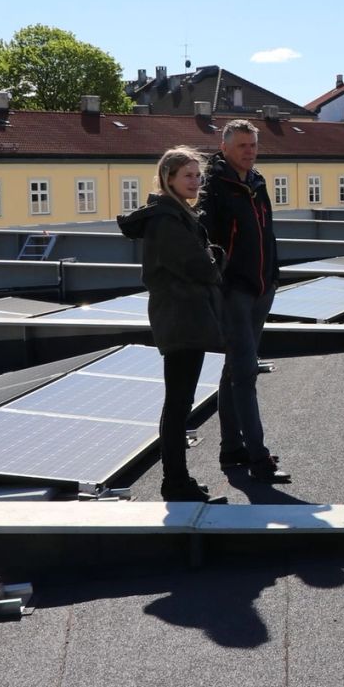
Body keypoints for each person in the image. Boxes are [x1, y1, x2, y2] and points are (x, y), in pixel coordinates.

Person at [116, 146, 227, 503]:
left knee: (181, 401)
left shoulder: (176, 215)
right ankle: (174, 482)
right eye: (188, 176)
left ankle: (178, 479)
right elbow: (202, 268)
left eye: (198, 175)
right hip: (180, 317)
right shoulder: (167, 220)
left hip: (182, 315)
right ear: (169, 179)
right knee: (178, 403)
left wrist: (209, 258)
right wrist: (216, 256)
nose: (196, 181)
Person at [197, 119, 291, 483]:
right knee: (246, 372)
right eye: (242, 146)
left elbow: (267, 233)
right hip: (234, 291)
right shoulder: (216, 187)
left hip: (261, 288)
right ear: (225, 148)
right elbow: (210, 240)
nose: (249, 152)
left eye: (253, 146)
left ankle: (231, 450)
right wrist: (226, 281)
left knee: (234, 370)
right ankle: (258, 458)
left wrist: (274, 276)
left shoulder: (256, 182)